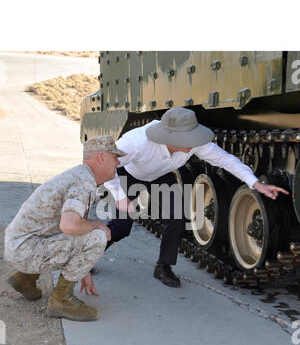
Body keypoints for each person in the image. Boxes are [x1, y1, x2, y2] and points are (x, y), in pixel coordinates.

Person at [104, 107, 289, 288]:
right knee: (121, 228)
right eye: (189, 139)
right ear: (171, 138)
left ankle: (164, 266)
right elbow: (105, 167)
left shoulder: (193, 143)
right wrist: (120, 196)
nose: (195, 143)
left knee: (177, 217)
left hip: (160, 174)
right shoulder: (135, 143)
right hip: (128, 175)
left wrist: (255, 183)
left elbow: (225, 160)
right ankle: (84, 259)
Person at [4, 135, 126, 322]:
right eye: (114, 157)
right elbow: (69, 226)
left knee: (85, 229)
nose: (118, 162)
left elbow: (66, 228)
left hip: (20, 244)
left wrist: (82, 269)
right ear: (101, 158)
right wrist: (97, 224)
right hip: (25, 250)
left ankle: (24, 279)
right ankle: (61, 299)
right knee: (99, 235)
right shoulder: (84, 183)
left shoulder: (79, 174)